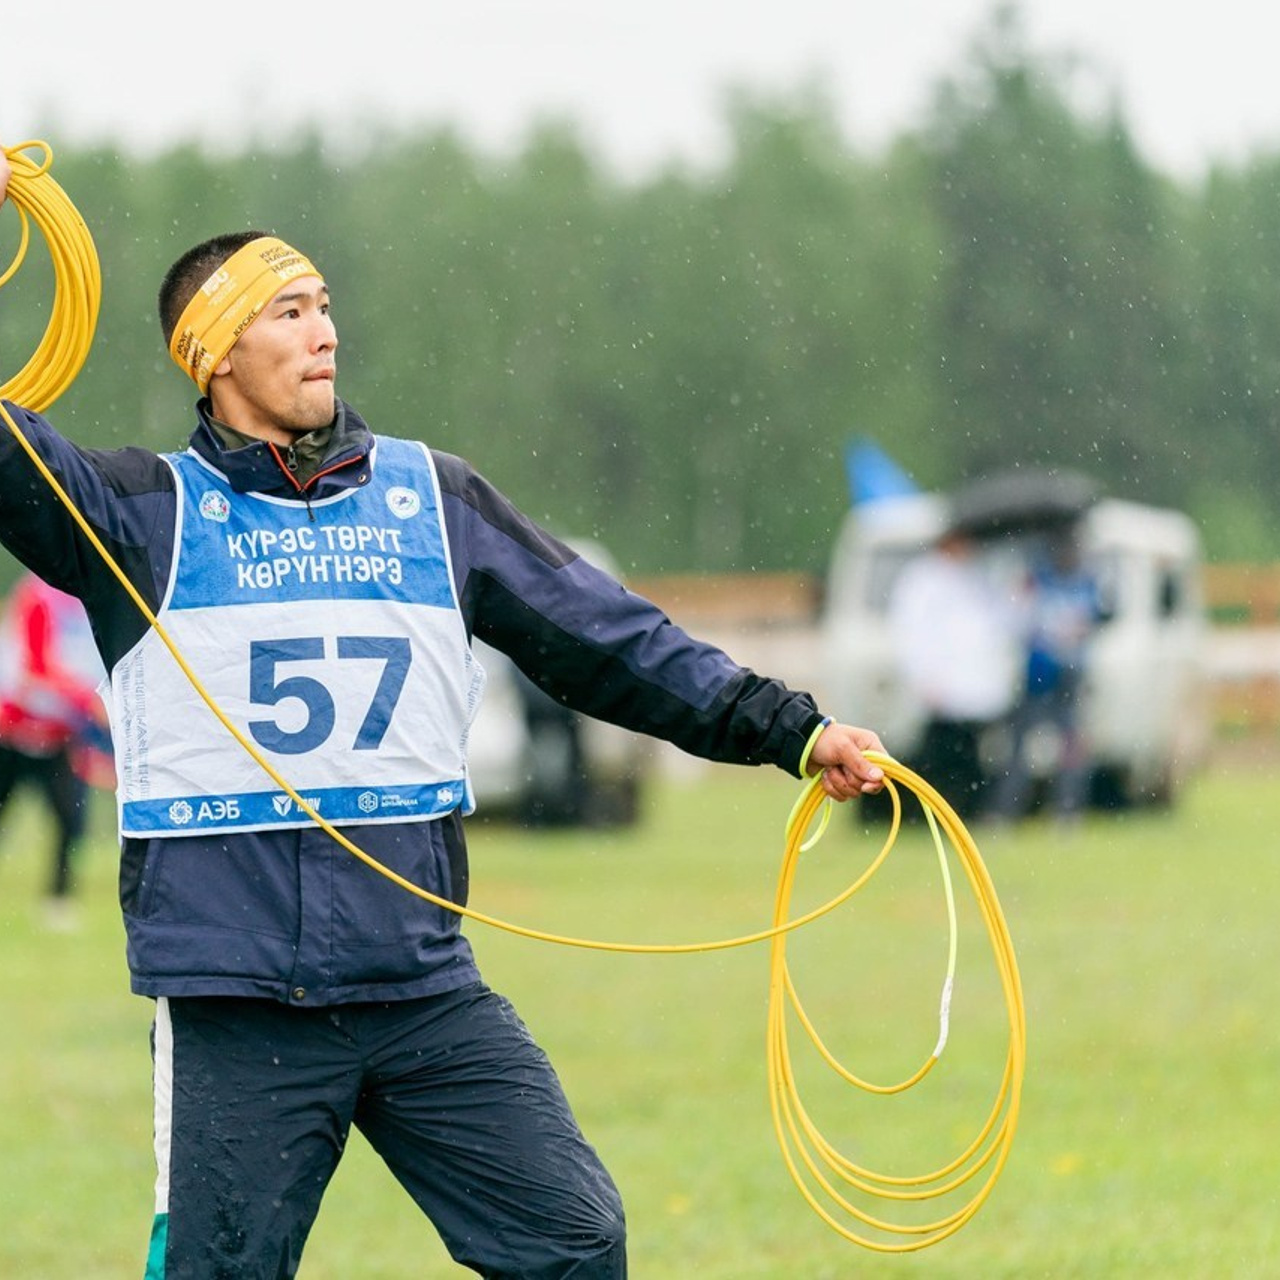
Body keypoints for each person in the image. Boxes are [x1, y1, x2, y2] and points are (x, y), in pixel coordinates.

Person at [0, 147, 886, 1280]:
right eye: (288, 310)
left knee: (571, 1240)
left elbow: (611, 640)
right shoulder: (136, 515)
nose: (324, 330)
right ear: (215, 352)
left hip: (420, 983)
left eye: (325, 306)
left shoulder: (435, 497)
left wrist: (789, 726)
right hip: (238, 1002)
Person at [886, 526, 1021, 819]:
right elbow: (912, 634)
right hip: (941, 689)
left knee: (973, 758)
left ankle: (966, 813)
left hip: (974, 690)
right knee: (940, 758)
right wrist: (923, 677)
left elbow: (995, 624)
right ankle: (931, 812)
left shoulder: (976, 577)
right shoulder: (922, 579)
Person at [0, 569, 110, 928]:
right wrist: (87, 699)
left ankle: (58, 900)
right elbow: (36, 669)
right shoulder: (37, 599)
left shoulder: (82, 600)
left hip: (59, 734)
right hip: (13, 731)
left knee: (70, 819)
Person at [989, 527, 1104, 823]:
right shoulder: (1037, 580)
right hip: (1037, 676)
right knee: (1019, 748)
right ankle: (1007, 810)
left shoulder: (1088, 583)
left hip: (1070, 676)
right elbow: (1019, 623)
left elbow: (1095, 620)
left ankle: (1068, 810)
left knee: (1071, 747)